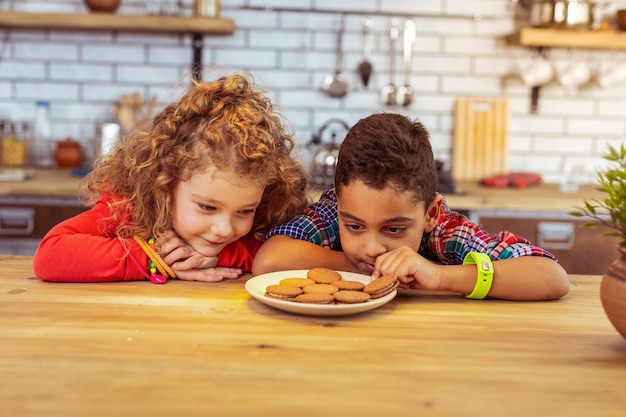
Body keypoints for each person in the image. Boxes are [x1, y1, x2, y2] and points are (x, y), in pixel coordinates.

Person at [252, 113, 570, 301]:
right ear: (338, 204)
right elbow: (269, 259)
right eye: (355, 226)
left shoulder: (448, 231)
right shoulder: (336, 210)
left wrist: (439, 276)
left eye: (394, 229)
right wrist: (372, 271)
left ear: (430, 214)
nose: (372, 246)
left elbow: (552, 277)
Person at [33, 74, 308, 283]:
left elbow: (274, 254)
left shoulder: (259, 218)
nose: (224, 229)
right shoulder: (129, 206)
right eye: (207, 207)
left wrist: (213, 257)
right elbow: (50, 255)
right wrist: (156, 258)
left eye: (245, 211)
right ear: (165, 184)